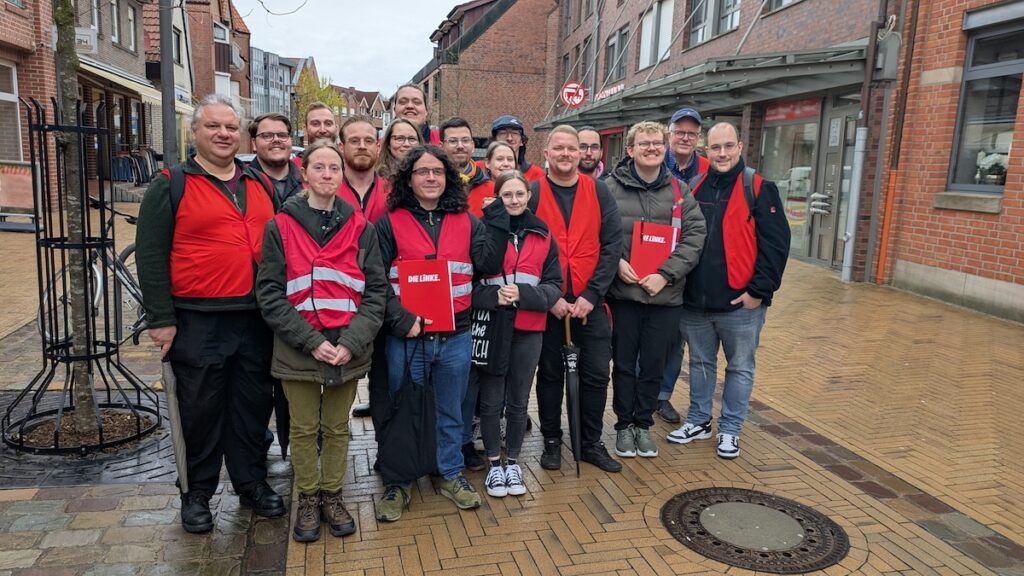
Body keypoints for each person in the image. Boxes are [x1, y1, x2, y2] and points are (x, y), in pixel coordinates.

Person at [135, 94, 284, 534]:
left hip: (255, 318)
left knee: (252, 408)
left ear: (241, 135)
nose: (223, 134)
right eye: (214, 126)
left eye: (231, 127)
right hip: (198, 319)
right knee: (200, 410)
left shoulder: (259, 182)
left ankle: (250, 483)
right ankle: (196, 493)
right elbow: (150, 254)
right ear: (195, 132)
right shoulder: (171, 183)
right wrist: (161, 318)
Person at [256, 141, 387, 542]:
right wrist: (311, 341)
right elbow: (271, 293)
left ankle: (333, 494)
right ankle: (308, 498)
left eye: (335, 168)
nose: (328, 174)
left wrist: (351, 342)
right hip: (299, 347)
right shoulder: (280, 226)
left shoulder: (361, 227)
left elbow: (376, 292)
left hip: (347, 346)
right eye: (320, 167)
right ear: (305, 172)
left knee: (336, 427)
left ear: (342, 174)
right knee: (301, 427)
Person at [372, 145, 509, 521]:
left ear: (448, 178)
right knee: (403, 411)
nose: (430, 178)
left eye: (437, 171)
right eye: (422, 172)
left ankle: (450, 473)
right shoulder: (389, 222)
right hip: (407, 338)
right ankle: (398, 481)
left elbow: (489, 262)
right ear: (408, 178)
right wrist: (400, 319)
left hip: (456, 336)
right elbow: (375, 279)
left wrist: (497, 219)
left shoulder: (467, 221)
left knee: (452, 411)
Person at [666, 122, 790, 460]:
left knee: (740, 368)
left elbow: (776, 246)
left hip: (741, 304)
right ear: (706, 149)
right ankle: (699, 420)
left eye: (728, 146)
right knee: (701, 364)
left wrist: (759, 291)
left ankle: (731, 429)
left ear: (740, 147)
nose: (722, 153)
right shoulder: (694, 186)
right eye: (715, 147)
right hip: (695, 303)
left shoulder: (760, 188)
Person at [604, 121, 706, 459]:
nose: (651, 148)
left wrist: (666, 275)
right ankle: (623, 426)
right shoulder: (609, 188)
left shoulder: (680, 192)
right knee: (622, 364)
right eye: (644, 143)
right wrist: (617, 263)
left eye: (657, 144)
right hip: (624, 296)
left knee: (652, 365)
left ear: (665, 150)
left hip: (664, 297)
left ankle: (643, 425)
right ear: (630, 150)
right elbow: (600, 234)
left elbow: (694, 238)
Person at [528, 125, 623, 473]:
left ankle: (590, 442)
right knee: (550, 374)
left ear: (580, 154)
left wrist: (591, 294)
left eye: (572, 148)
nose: (567, 154)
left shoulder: (598, 191)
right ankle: (552, 440)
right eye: (559, 148)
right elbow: (522, 249)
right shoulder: (534, 193)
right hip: (550, 303)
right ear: (547, 152)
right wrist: (548, 297)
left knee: (597, 373)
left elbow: (612, 245)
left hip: (591, 303)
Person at [475, 170, 561, 498]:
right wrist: (493, 297)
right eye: (506, 195)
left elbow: (554, 286)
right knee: (491, 399)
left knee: (518, 400)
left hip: (529, 328)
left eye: (519, 194)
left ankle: (513, 461)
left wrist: (524, 296)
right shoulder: (483, 230)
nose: (513, 200)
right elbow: (469, 284)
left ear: (528, 197)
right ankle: (494, 464)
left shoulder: (542, 234)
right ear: (498, 198)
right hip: (495, 327)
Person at [353, 118, 424, 422]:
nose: (405, 143)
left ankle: (391, 423)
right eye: (399, 138)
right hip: (363, 278)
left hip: (398, 284)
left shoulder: (421, 177)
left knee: (391, 360)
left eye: (411, 138)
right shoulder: (378, 179)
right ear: (387, 143)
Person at [659, 107, 712, 424]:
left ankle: (662, 395)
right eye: (680, 131)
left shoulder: (708, 170)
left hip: (691, 267)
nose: (685, 137)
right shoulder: (651, 162)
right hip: (650, 265)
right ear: (669, 133)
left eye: (692, 133)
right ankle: (641, 391)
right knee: (646, 338)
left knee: (675, 342)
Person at [338, 116, 390, 222]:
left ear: (378, 148)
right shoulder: (328, 191)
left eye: (369, 141)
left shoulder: (392, 192)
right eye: (354, 141)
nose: (362, 146)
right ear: (341, 148)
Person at [248, 112, 303, 204]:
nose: (276, 140)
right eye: (267, 136)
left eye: (282, 135)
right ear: (254, 143)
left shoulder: (309, 180)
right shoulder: (240, 183)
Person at [468, 141, 517, 218]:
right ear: (487, 163)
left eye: (510, 159)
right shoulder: (476, 190)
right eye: (500, 159)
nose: (506, 164)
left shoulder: (522, 192)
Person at [492, 115, 545, 182]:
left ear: (522, 141)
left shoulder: (536, 174)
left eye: (515, 133)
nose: (509, 138)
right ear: (494, 140)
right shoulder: (480, 170)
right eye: (503, 133)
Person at [291, 101, 339, 170]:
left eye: (328, 123)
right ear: (305, 130)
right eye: (315, 124)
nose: (322, 130)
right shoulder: (292, 169)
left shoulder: (348, 168)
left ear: (336, 129)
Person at [376, 118, 422, 183]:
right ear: (388, 143)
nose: (407, 144)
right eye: (399, 138)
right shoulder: (376, 177)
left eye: (412, 139)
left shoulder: (430, 174)